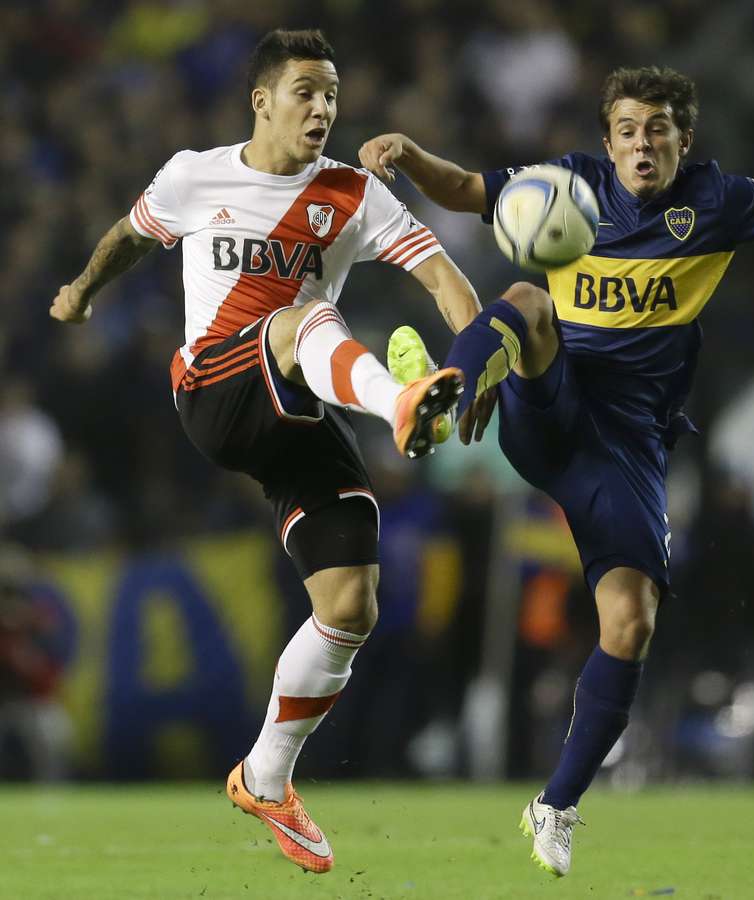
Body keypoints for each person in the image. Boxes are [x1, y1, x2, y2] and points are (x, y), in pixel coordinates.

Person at [359, 64, 754, 877]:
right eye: (626, 129)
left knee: (631, 624)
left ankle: (555, 804)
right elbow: (462, 188)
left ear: (682, 140)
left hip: (626, 444)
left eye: (656, 128)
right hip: (555, 402)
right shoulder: (569, 186)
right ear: (608, 142)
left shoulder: (718, 201)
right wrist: (410, 154)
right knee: (526, 296)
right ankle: (452, 386)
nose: (641, 143)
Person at [49, 28, 480, 874]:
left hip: (297, 408)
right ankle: (398, 406)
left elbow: (443, 280)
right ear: (262, 100)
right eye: (306, 92)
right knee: (301, 316)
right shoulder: (191, 175)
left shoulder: (353, 193)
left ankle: (266, 775)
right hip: (213, 388)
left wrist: (475, 362)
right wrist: (80, 292)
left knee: (352, 604)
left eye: (332, 93)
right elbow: (131, 236)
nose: (323, 108)